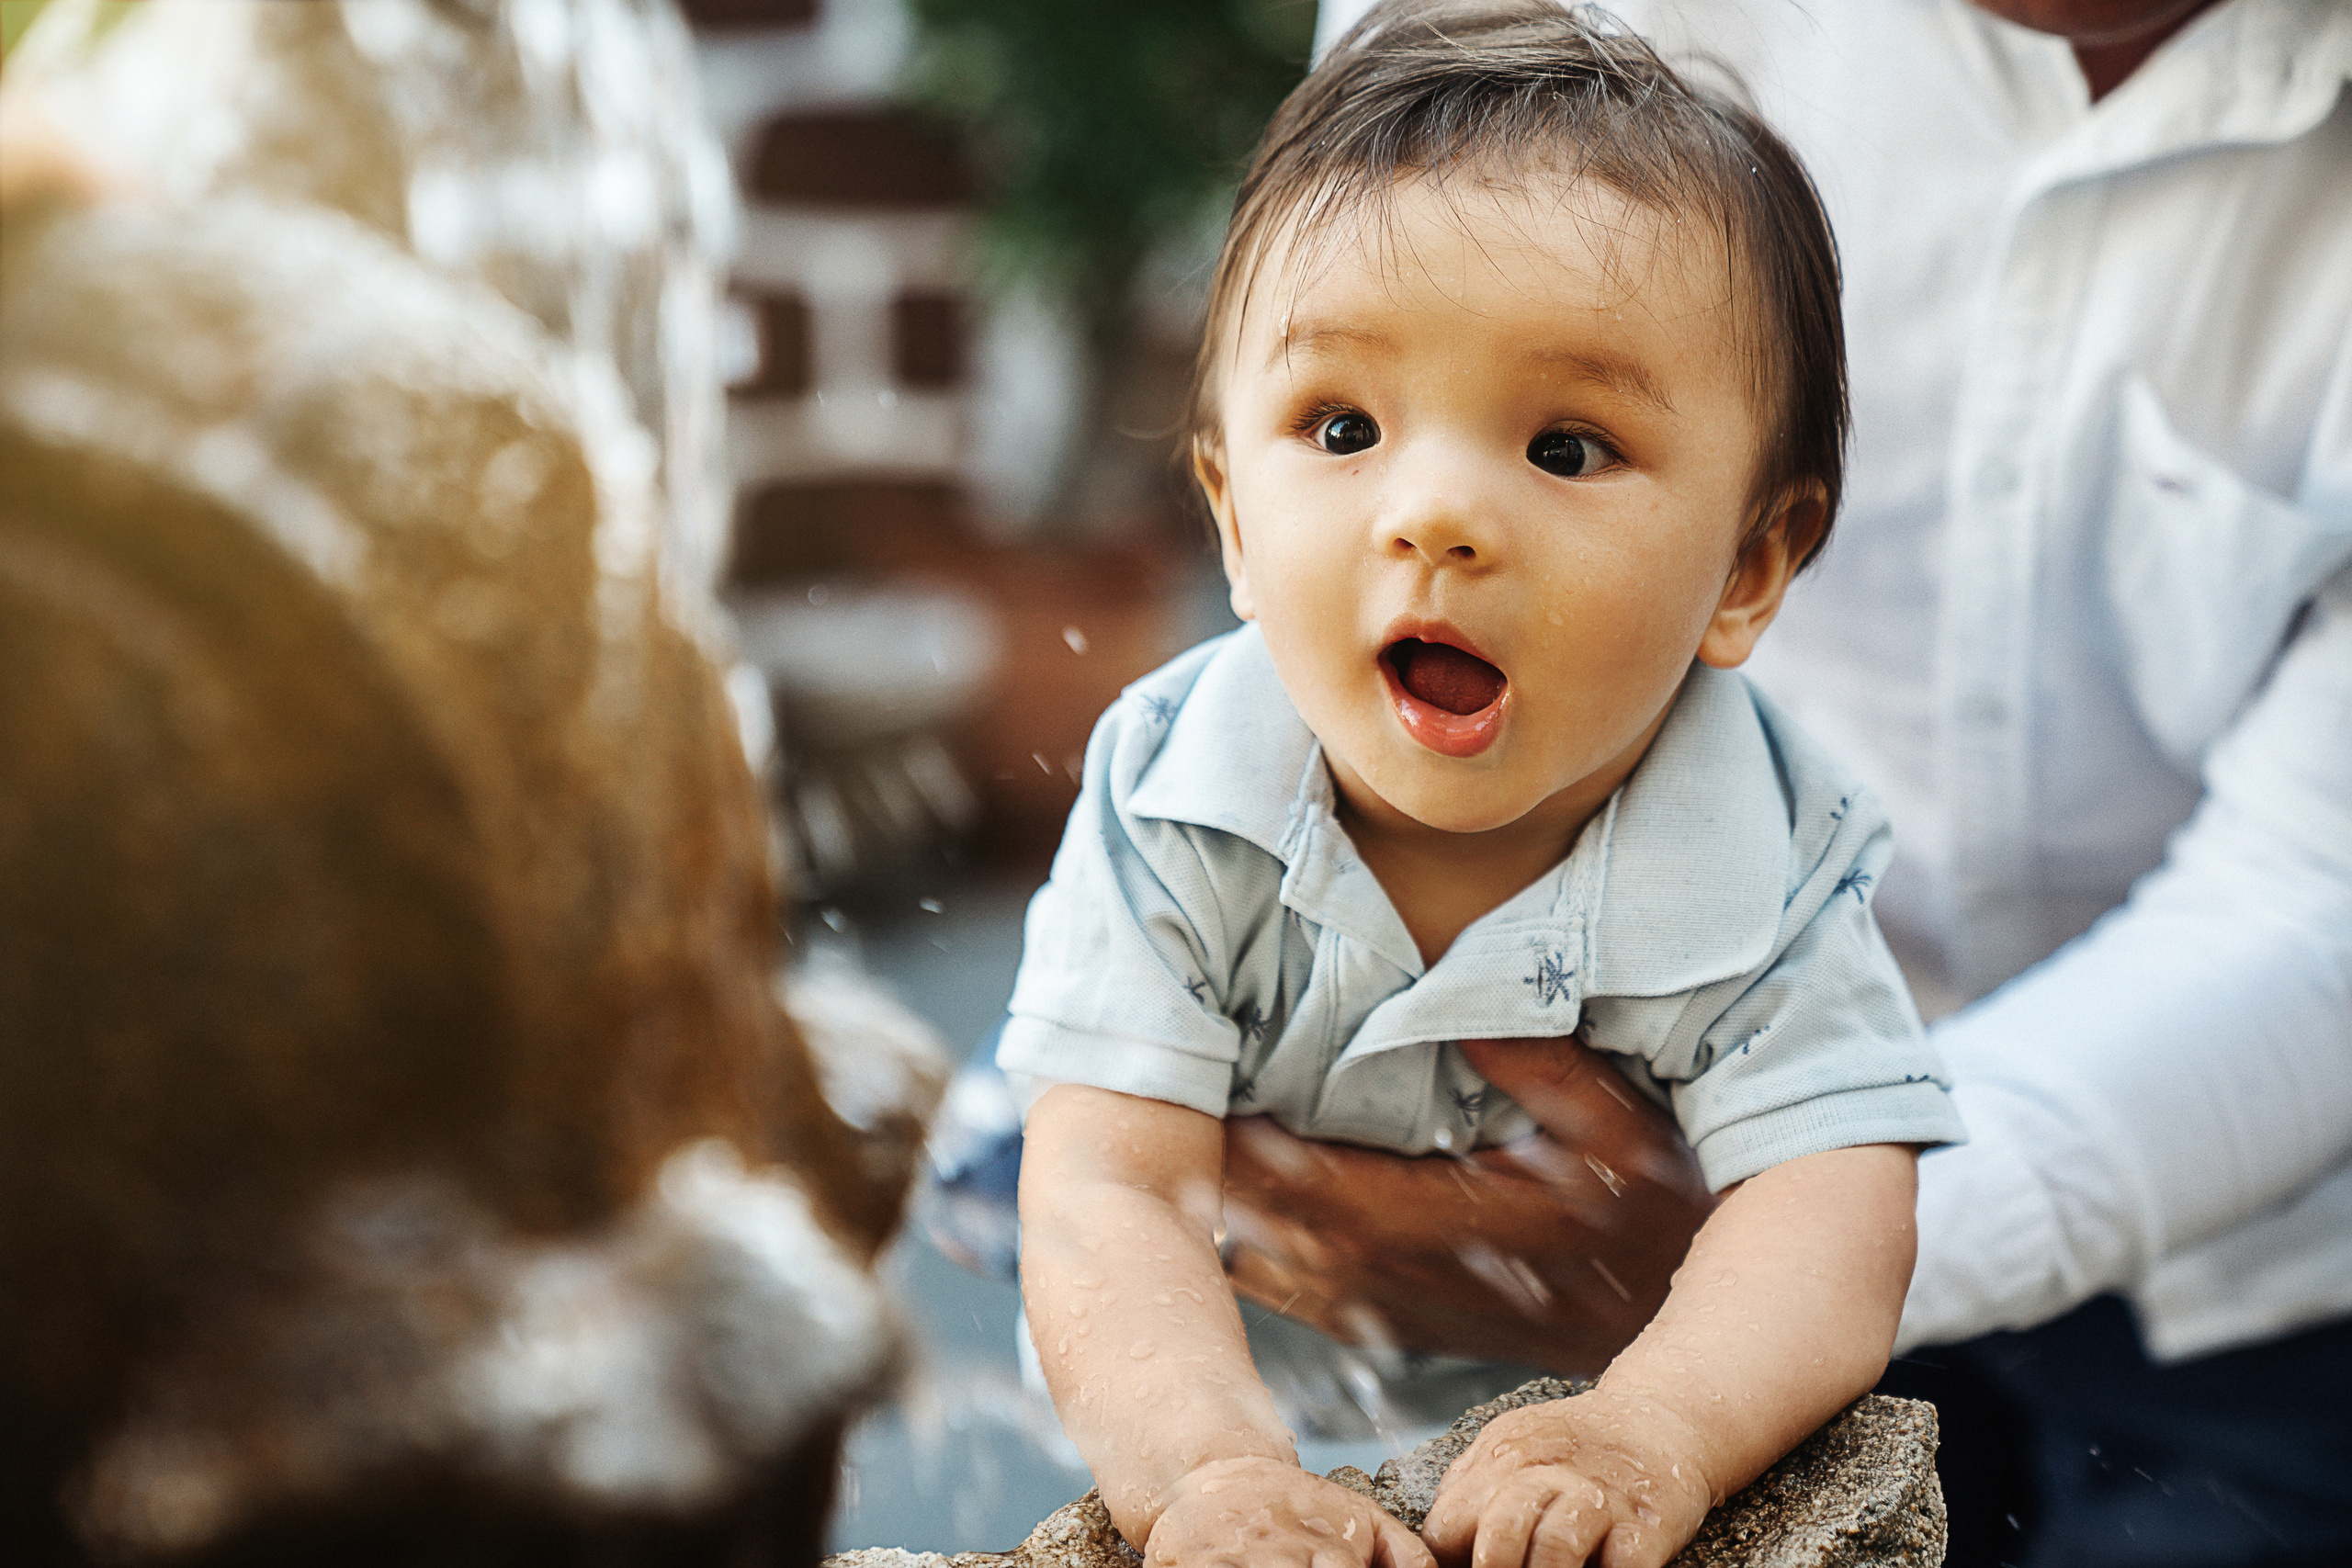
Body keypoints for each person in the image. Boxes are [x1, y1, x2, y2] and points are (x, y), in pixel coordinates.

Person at [1215, 1, 2352, 1562]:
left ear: (1766, 560)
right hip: (1591, 1165)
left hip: (2264, 1291)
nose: (1433, 525)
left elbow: (2321, 897)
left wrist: (1756, 1258)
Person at [998, 6, 1964, 1561]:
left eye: (1567, 448)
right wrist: (1205, 1478)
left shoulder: (1764, 844)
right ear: (1232, 516)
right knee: (1029, 1146)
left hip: (1589, 1370)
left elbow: (1835, 1199)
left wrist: (1655, 1428)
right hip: (1232, 1351)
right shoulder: (1178, 793)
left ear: (1751, 563)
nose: (1435, 515)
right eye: (1343, 426)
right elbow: (1113, 1190)